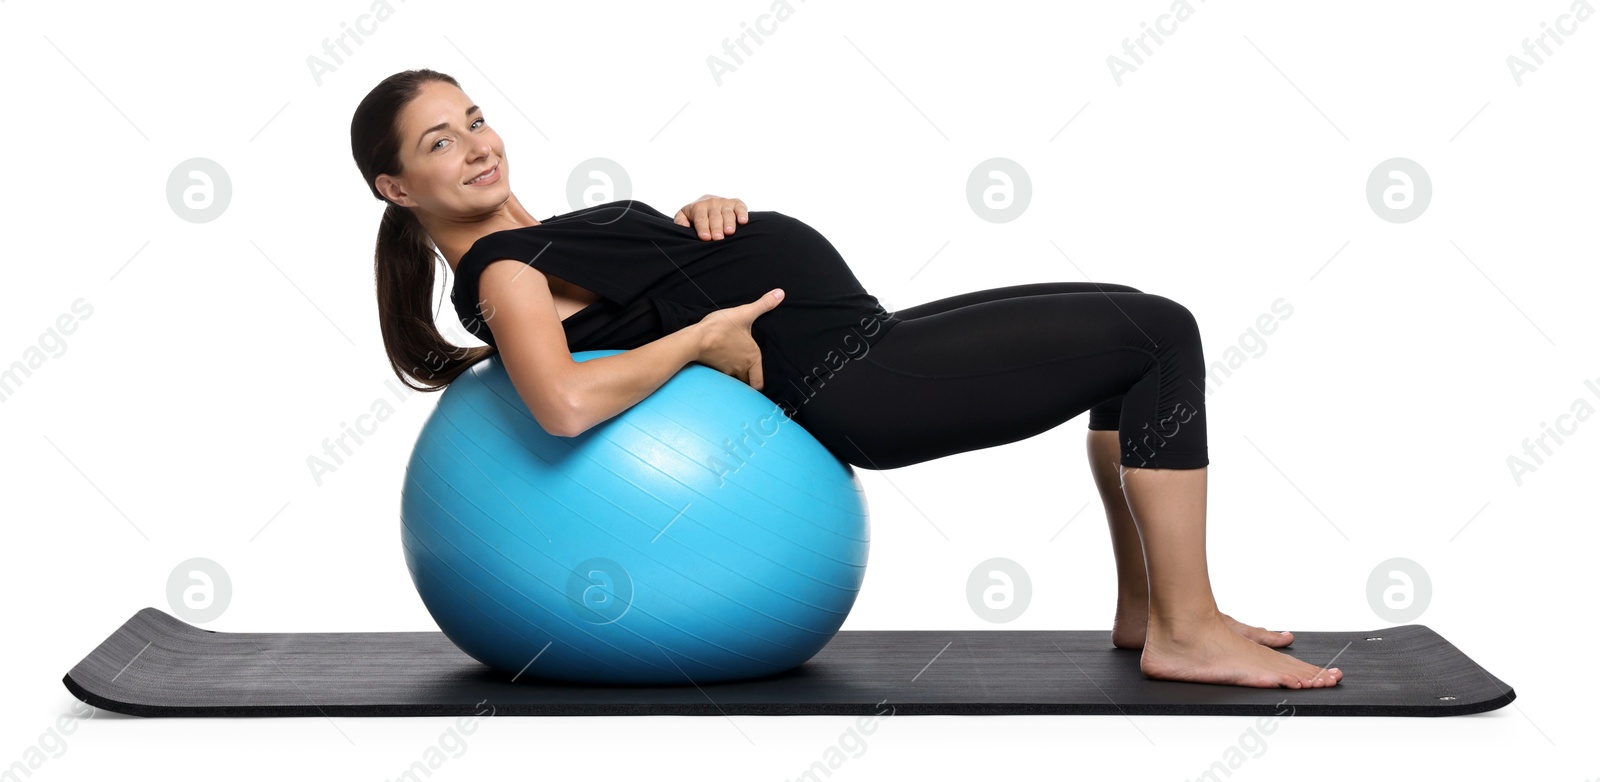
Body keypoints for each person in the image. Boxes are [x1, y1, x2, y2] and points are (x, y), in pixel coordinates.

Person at [352, 69, 1342, 690]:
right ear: (397, 188)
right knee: (1157, 333)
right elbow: (562, 402)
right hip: (859, 377)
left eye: (474, 118)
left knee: (1131, 322)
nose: (477, 144)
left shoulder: (539, 240)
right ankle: (1186, 625)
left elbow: (619, 297)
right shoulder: (504, 272)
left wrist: (687, 221)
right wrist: (699, 335)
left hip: (871, 338)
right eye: (439, 141)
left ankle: (1149, 608)